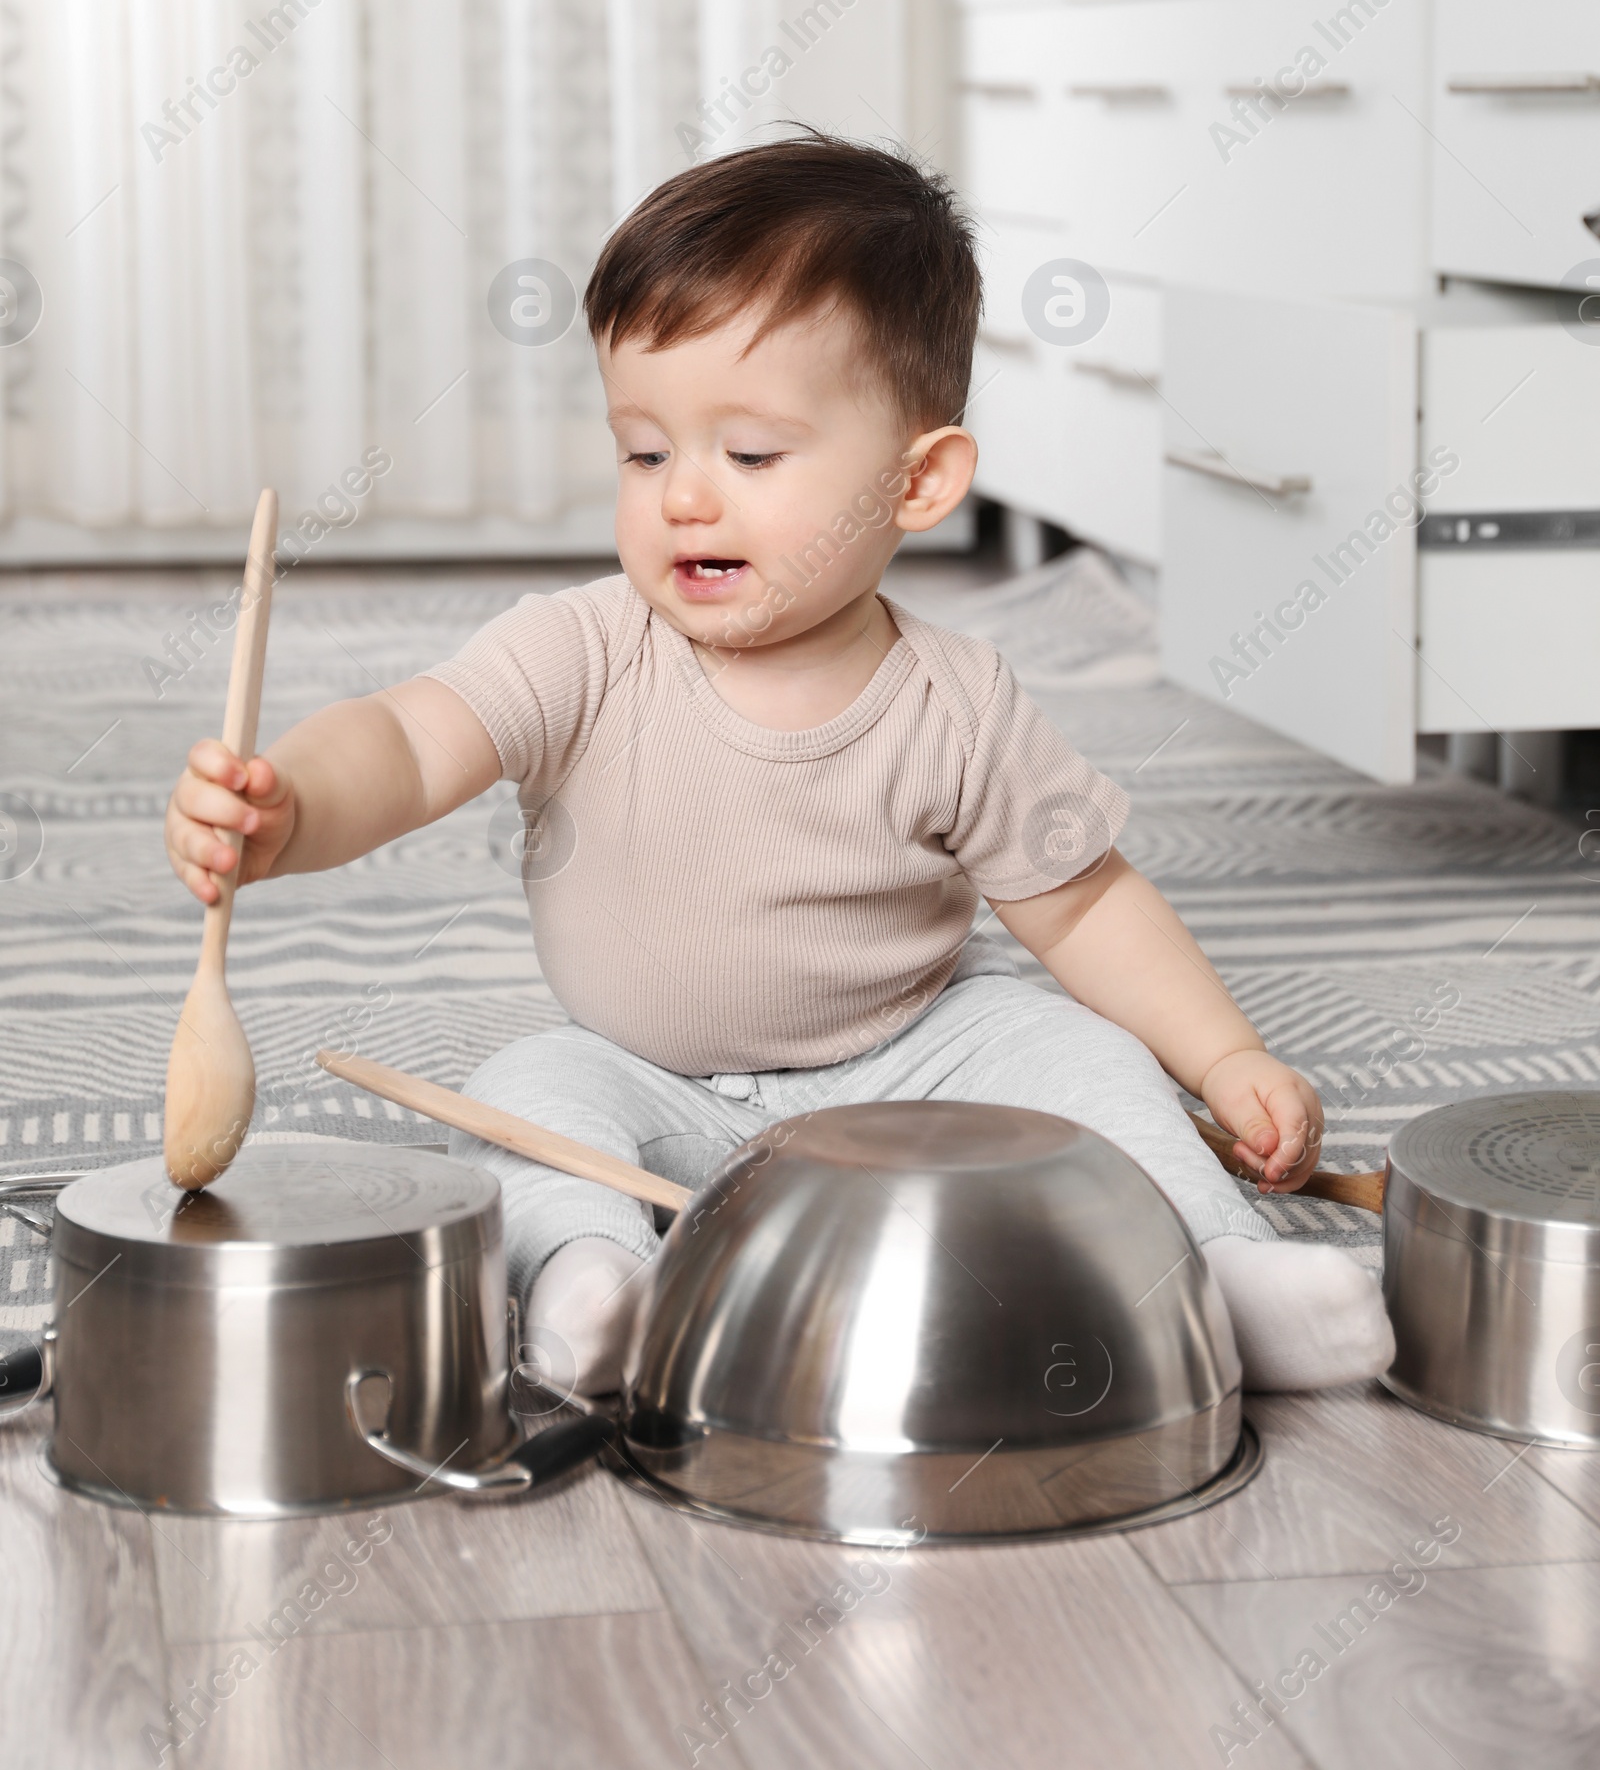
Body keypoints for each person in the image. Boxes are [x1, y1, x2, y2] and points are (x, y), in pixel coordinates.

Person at [165, 134, 1394, 1399]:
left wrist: (1225, 1058)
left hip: (916, 1055)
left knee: (1084, 1061)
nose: (685, 498)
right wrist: (291, 805)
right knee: (523, 1097)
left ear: (918, 482)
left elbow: (1085, 904)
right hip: (642, 1068)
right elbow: (412, 740)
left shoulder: (956, 703)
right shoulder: (584, 647)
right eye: (645, 452)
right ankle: (600, 1289)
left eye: (749, 457)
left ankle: (1226, 1274)